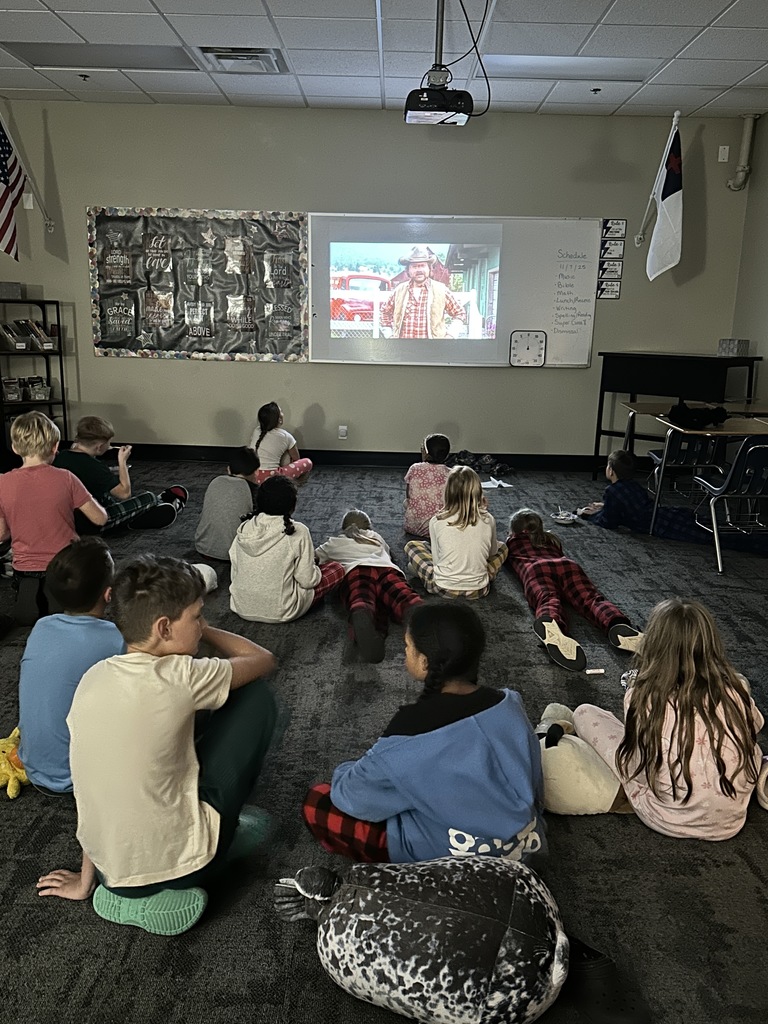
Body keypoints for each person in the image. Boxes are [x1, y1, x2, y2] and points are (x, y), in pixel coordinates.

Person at [36, 555, 277, 936]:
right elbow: (262, 660)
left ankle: (118, 892)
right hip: (188, 867)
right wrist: (210, 633)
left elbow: (90, 786)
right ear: (163, 627)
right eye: (196, 616)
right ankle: (215, 840)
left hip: (108, 871)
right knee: (254, 696)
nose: (200, 625)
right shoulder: (181, 676)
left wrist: (87, 880)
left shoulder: (93, 679)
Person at [303, 601, 545, 864]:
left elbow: (352, 797)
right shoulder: (509, 702)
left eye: (408, 647)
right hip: (527, 850)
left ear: (425, 662)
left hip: (455, 858)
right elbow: (534, 783)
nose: (404, 653)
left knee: (318, 801)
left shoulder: (409, 731)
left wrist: (345, 769)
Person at [569, 598, 764, 840]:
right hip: (731, 821)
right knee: (745, 745)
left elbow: (637, 757)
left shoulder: (642, 696)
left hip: (665, 816)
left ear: (652, 645)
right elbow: (756, 726)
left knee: (585, 713)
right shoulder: (736, 690)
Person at [17, 537, 125, 795]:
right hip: (79, 777)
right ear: (109, 595)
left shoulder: (41, 627)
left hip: (34, 768)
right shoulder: (115, 639)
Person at [0, 412, 107, 625]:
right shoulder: (66, 478)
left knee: (28, 613)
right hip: (64, 565)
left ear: (14, 447)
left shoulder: (2, 482)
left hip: (24, 568)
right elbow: (100, 518)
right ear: (55, 447)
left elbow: (1, 534)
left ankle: (30, 602)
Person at [506, 509, 643, 672]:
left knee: (548, 598)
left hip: (535, 569)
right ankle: (616, 623)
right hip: (567, 565)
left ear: (514, 530)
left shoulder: (512, 542)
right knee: (591, 599)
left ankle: (552, 624)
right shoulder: (551, 539)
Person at [229, 476, 344, 623]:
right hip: (282, 611)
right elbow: (308, 581)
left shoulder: (244, 527)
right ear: (293, 505)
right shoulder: (299, 531)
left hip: (241, 606)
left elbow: (235, 570)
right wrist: (314, 568)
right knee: (337, 568)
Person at [315, 509, 422, 663]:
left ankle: (361, 611)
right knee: (401, 593)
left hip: (356, 571)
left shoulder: (333, 542)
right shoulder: (376, 537)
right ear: (369, 527)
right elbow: (389, 554)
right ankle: (414, 608)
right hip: (385, 568)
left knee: (361, 597)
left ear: (343, 528)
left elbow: (314, 558)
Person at [54, 415, 187, 531]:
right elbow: (124, 493)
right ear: (99, 446)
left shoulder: (62, 456)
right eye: (109, 442)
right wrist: (122, 462)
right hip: (93, 520)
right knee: (149, 497)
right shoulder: (94, 467)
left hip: (66, 518)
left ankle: (142, 513)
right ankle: (157, 503)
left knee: (107, 497)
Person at [404, 465, 508, 599]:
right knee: (503, 547)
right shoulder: (488, 519)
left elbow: (437, 561)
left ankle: (420, 572)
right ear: (478, 491)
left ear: (447, 492)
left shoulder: (437, 521)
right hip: (479, 589)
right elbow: (492, 553)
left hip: (443, 588)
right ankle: (477, 574)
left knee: (411, 546)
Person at [380, 246, 466, 339]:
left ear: (429, 268)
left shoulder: (441, 290)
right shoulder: (399, 290)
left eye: (422, 266)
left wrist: (450, 336)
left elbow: (460, 313)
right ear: (408, 270)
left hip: (432, 350)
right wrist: (389, 335)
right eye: (414, 266)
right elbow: (384, 312)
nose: (419, 270)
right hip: (403, 349)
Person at [194, 446, 260, 561]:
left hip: (203, 548)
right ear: (256, 471)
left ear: (228, 469)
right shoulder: (254, 491)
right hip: (235, 554)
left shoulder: (215, 481)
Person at [249, 402, 312, 485]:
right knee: (307, 462)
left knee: (283, 454)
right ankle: (295, 482)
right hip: (273, 478)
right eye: (281, 411)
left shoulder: (256, 431)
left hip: (253, 476)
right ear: (279, 419)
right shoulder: (286, 436)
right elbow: (296, 458)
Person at [403, 432, 452, 536]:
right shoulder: (451, 474)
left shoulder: (414, 468)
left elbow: (408, 495)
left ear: (425, 452)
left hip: (412, 526)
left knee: (406, 502)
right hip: (439, 530)